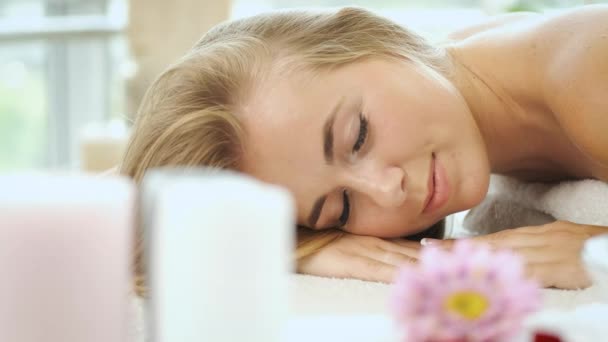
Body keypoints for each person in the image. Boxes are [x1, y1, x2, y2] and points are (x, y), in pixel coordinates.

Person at [121, 5, 608, 291]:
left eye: (356, 136)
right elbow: (133, 210)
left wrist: (596, 252)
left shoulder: (591, 78)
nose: (387, 188)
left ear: (371, 37)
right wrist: (301, 247)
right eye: (341, 207)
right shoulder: (464, 79)